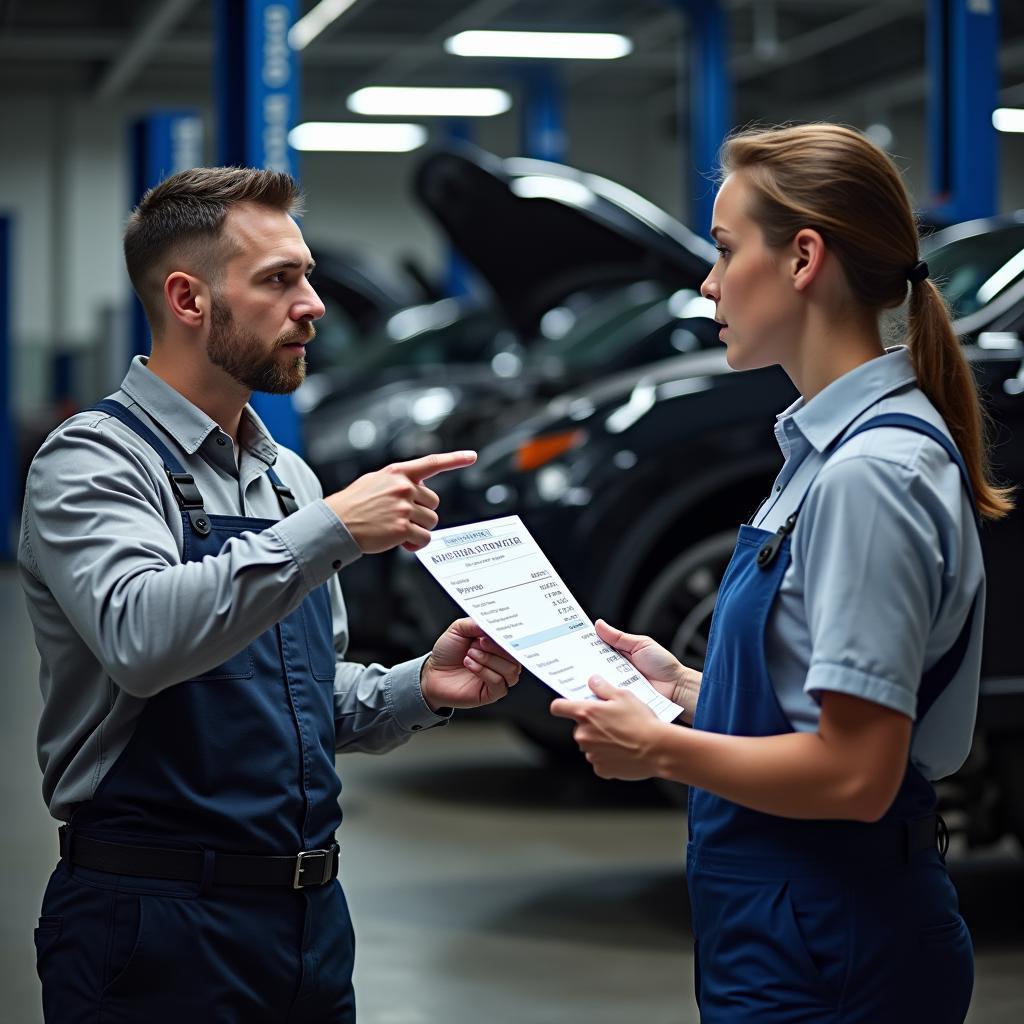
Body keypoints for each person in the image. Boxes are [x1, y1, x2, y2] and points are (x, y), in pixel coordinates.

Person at [19, 166, 521, 1023]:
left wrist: (414, 686)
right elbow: (143, 639)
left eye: (309, 274)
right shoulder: (94, 462)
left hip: (309, 923)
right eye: (279, 280)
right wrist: (329, 529)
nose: (313, 304)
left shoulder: (285, 477)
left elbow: (296, 690)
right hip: (155, 924)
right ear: (188, 299)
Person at [551, 123, 1014, 1023]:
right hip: (790, 917)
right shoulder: (820, 452)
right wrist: (684, 688)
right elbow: (813, 694)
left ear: (803, 257)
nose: (708, 281)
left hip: (834, 932)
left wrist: (657, 749)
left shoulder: (869, 475)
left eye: (725, 251)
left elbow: (856, 774)